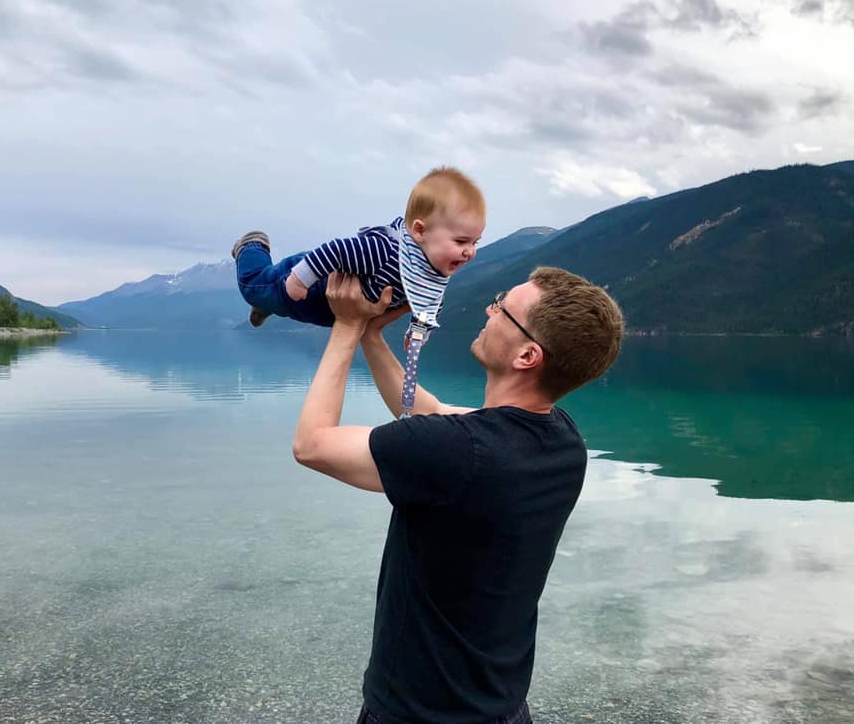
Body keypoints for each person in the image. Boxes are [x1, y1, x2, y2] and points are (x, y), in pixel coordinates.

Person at [291, 267, 624, 724]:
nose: (490, 309)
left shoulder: (459, 451)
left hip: (418, 715)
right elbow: (427, 411)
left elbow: (312, 444)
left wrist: (345, 326)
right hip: (501, 707)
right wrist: (372, 335)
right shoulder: (563, 442)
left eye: (504, 308)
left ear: (528, 355)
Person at [231, 167, 485, 331]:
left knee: (286, 306)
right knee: (255, 287)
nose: (469, 252)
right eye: (461, 242)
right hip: (314, 280)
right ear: (420, 231)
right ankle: (253, 246)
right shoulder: (385, 252)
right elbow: (336, 251)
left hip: (331, 310)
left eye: (475, 242)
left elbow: (430, 303)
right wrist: (299, 280)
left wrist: (418, 332)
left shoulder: (433, 273)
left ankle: (269, 306)